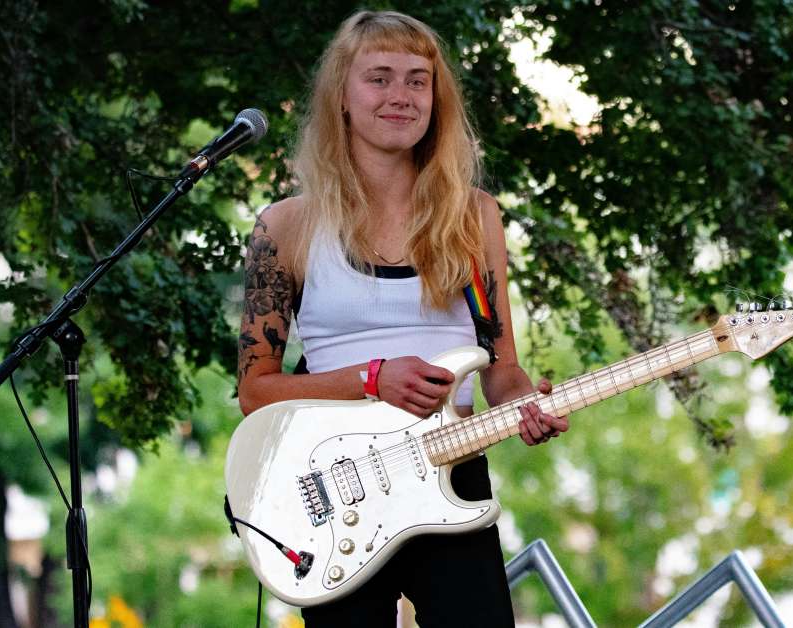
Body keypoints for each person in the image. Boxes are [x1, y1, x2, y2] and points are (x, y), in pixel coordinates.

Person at [235, 10, 569, 626]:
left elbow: (502, 369)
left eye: (418, 80)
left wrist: (525, 404)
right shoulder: (286, 227)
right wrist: (372, 378)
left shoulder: (473, 217)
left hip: (451, 472)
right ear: (341, 95)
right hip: (335, 492)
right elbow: (255, 392)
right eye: (379, 78)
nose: (401, 95)